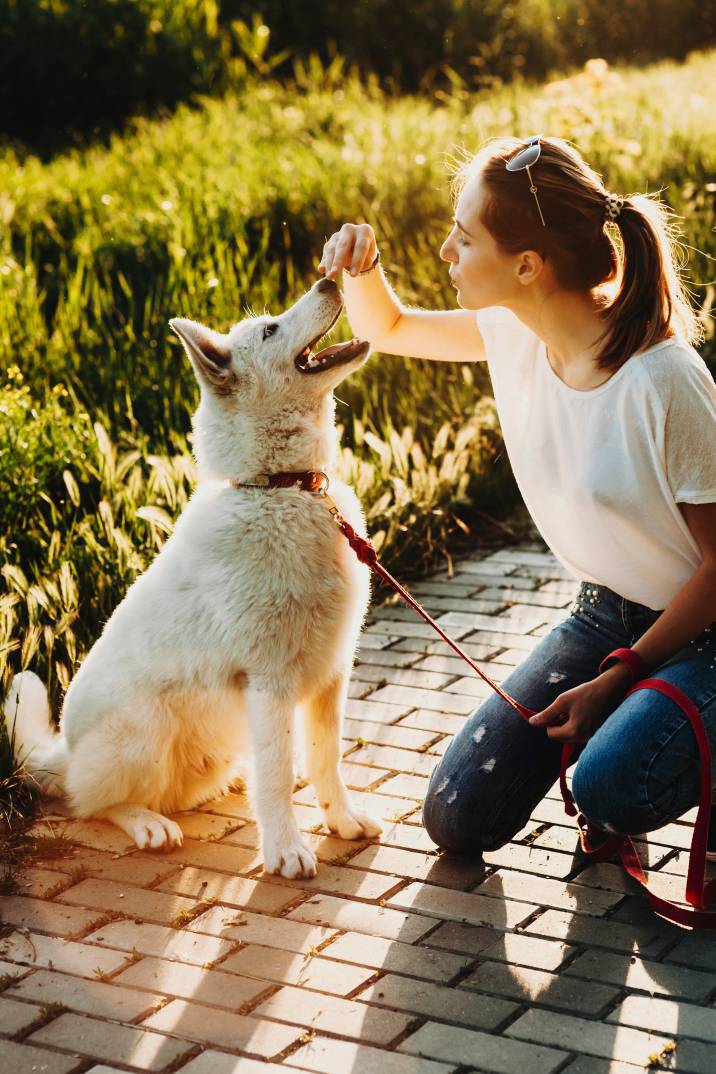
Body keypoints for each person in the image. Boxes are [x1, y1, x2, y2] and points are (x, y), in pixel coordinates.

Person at [317, 134, 716, 858]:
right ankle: (634, 716)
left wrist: (620, 677)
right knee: (457, 813)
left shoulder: (664, 381)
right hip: (606, 618)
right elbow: (391, 327)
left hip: (705, 634)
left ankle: (650, 729)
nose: (445, 252)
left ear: (527, 266)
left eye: (464, 240)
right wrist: (363, 267)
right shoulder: (514, 334)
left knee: (609, 788)